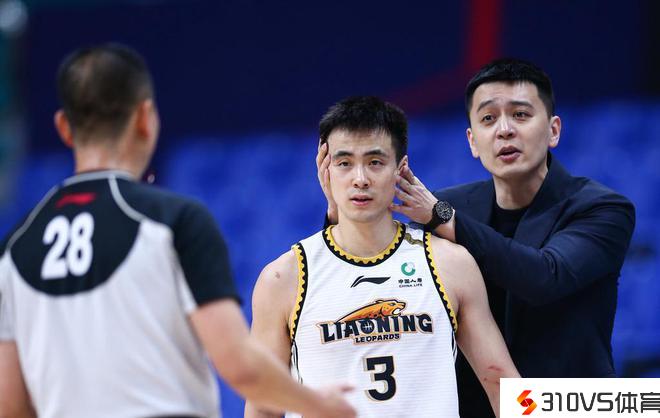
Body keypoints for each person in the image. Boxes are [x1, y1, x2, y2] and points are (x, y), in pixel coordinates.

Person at [0, 44, 356, 418]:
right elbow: (238, 364)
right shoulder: (173, 221)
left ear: (63, 127)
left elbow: (9, 406)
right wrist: (319, 405)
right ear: (145, 118)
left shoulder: (14, 247)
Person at [319, 59, 636, 417]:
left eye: (520, 115)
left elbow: (545, 277)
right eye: (488, 119)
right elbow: (369, 274)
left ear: (553, 131)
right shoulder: (451, 207)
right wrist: (339, 211)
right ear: (472, 140)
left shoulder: (603, 208)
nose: (504, 130)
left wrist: (442, 218)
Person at [246, 96, 519, 418]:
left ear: (400, 170)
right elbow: (263, 406)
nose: (360, 178)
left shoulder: (451, 264)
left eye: (375, 162)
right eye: (344, 163)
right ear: (325, 170)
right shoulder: (283, 278)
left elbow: (501, 382)